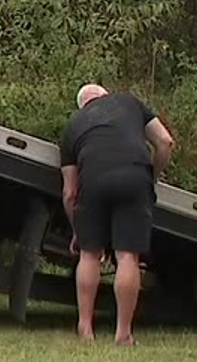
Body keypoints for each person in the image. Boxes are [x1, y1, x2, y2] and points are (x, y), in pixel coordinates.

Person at [59, 82, 175, 345]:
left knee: (89, 253)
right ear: (105, 95)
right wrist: (151, 176)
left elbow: (69, 192)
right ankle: (123, 333)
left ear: (82, 105)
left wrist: (78, 231)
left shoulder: (72, 126)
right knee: (127, 256)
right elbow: (165, 142)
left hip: (93, 179)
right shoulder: (129, 102)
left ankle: (85, 328)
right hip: (134, 175)